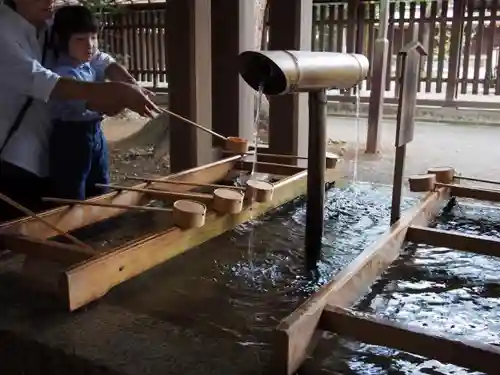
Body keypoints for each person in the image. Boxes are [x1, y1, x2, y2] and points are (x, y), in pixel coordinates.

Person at [0, 0, 160, 221]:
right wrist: (113, 93)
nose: (50, 0)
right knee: (23, 235)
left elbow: (97, 56)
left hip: (54, 151)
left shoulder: (52, 20)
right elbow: (45, 83)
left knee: (72, 216)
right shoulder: (4, 31)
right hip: (15, 158)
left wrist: (127, 81)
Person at [49, 5, 111, 200]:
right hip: (71, 137)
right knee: (73, 191)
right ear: (62, 41)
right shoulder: (62, 73)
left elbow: (109, 70)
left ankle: (99, 225)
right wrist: (117, 100)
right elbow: (89, 102)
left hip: (96, 133)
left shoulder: (90, 66)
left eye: (93, 37)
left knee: (100, 182)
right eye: (80, 40)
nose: (90, 45)